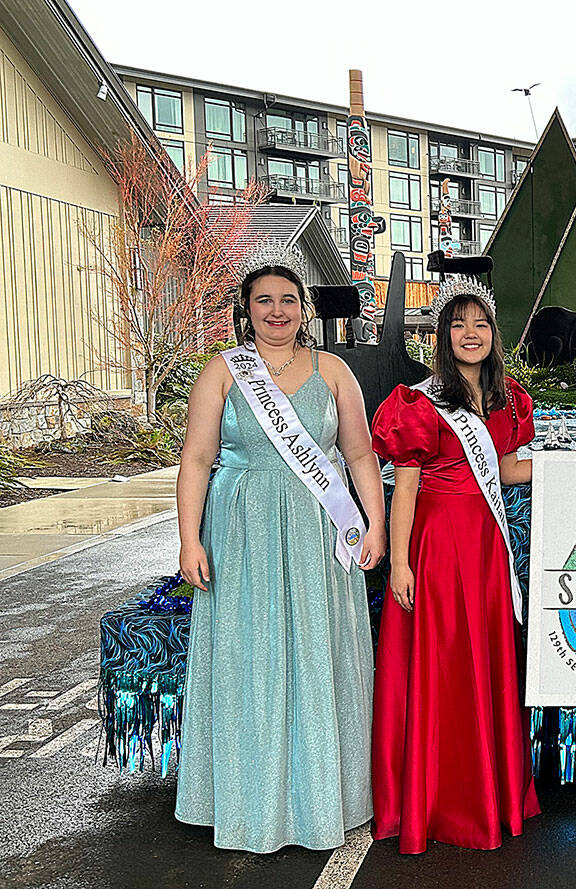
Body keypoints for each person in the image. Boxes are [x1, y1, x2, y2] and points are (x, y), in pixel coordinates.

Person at [175, 241, 386, 852]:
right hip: (244, 532)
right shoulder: (222, 371)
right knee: (252, 658)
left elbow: (359, 455)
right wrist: (189, 539)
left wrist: (373, 523)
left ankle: (325, 798)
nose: (277, 310)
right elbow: (196, 459)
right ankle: (249, 801)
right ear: (246, 308)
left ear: (304, 308)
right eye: (263, 300)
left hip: (323, 532)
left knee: (322, 654)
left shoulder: (334, 372)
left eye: (288, 300)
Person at [369, 277, 539, 853]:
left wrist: (572, 467)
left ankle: (486, 794)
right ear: (443, 335)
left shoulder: (508, 400)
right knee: (439, 667)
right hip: (437, 545)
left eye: (482, 324)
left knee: (483, 663)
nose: (472, 334)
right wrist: (398, 562)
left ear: (494, 335)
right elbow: (407, 488)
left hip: (486, 546)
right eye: (459, 324)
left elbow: (509, 471)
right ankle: (437, 801)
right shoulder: (418, 402)